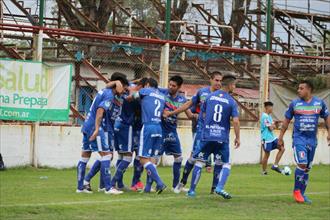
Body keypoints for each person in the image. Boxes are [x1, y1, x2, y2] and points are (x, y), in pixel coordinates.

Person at [164, 71, 222, 194]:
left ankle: (214, 188)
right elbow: (188, 104)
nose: (219, 83)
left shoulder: (223, 95)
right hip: (201, 130)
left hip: (217, 132)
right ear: (210, 80)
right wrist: (172, 113)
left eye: (220, 80)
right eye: (216, 80)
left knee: (219, 159)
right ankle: (183, 181)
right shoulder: (202, 92)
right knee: (194, 157)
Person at [187, 74, 240, 199]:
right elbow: (236, 121)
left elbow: (202, 115)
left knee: (199, 162)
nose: (235, 87)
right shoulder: (231, 101)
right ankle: (219, 187)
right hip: (222, 136)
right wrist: (238, 137)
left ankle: (191, 191)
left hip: (207, 135)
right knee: (225, 163)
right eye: (235, 85)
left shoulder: (209, 97)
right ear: (231, 85)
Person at [278, 80, 330, 204]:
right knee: (302, 163)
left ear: (309, 89)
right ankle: (296, 191)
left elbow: (327, 116)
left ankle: (302, 193)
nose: (298, 90)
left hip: (312, 140)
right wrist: (280, 137)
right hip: (298, 139)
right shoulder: (294, 104)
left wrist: (329, 133)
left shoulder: (319, 103)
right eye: (298, 88)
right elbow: (286, 121)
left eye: (301, 88)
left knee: (307, 168)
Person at [76, 74, 128, 195]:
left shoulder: (105, 91)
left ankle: (80, 187)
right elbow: (100, 111)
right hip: (95, 127)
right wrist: (97, 129)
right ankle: (108, 188)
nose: (124, 91)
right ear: (118, 85)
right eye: (123, 88)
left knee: (85, 156)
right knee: (106, 155)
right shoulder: (109, 95)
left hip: (88, 125)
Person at [158, 75, 194, 191]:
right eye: (170, 84)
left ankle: (175, 185)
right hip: (161, 129)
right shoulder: (162, 92)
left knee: (178, 158)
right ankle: (152, 185)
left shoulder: (182, 99)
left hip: (172, 131)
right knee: (155, 157)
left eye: (173, 86)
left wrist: (198, 116)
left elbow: (189, 115)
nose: (170, 87)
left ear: (179, 87)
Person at [131, 78, 167, 194]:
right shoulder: (162, 96)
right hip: (158, 127)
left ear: (147, 85)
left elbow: (132, 97)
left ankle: (160, 183)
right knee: (152, 159)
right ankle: (147, 188)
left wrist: (132, 87)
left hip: (148, 126)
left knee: (143, 158)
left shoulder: (145, 91)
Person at [260, 101, 285, 175]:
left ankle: (275, 165)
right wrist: (273, 125)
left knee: (282, 148)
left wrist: (273, 125)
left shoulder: (269, 117)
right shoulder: (264, 117)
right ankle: (264, 171)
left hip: (272, 138)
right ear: (267, 107)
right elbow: (271, 128)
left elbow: (273, 126)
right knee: (267, 155)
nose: (272, 109)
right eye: (271, 107)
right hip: (266, 139)